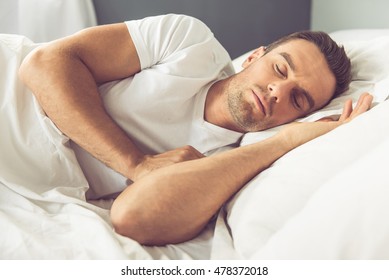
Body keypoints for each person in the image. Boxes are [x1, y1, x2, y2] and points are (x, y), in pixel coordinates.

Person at [18, 14, 372, 245]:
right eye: (280, 70)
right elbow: (45, 64)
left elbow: (133, 218)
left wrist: (286, 142)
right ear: (253, 57)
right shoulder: (190, 42)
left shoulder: (228, 164)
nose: (278, 91)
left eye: (298, 100)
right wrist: (136, 164)